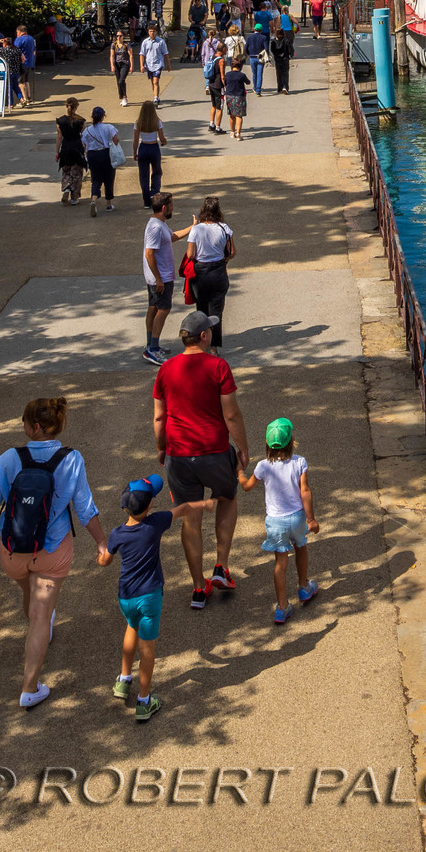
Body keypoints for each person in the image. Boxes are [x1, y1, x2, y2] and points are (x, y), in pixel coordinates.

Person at [0, 394, 107, 708]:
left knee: (29, 592)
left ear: (36, 426)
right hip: (53, 550)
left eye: (25, 421)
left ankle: (40, 619)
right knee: (41, 615)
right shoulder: (72, 459)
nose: (22, 425)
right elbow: (85, 508)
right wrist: (101, 542)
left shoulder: (8, 459)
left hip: (12, 551)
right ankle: (30, 688)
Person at [153, 318, 252, 607]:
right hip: (214, 451)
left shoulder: (166, 369)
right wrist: (243, 449)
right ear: (205, 335)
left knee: (191, 517)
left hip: (179, 455)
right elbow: (231, 414)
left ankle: (198, 588)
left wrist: (161, 447)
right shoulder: (218, 366)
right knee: (227, 498)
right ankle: (221, 567)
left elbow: (159, 416)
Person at [98, 472, 209, 724]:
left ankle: (124, 680)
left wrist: (101, 555)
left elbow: (105, 560)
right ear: (149, 506)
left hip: (126, 596)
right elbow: (183, 509)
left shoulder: (117, 534)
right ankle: (144, 701)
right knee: (147, 648)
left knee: (131, 627)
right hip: (149, 597)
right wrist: (205, 503)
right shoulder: (155, 524)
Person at [246, 415, 319, 625]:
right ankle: (304, 587)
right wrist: (311, 519)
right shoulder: (300, 462)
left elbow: (247, 486)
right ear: (291, 441)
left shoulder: (262, 466)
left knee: (280, 562)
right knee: (301, 547)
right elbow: (305, 491)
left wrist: (240, 474)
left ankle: (282, 607)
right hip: (297, 517)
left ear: (267, 444)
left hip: (276, 521)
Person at [186, 196, 235, 347]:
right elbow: (232, 252)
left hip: (201, 273)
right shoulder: (224, 228)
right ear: (218, 211)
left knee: (201, 309)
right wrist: (223, 260)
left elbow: (190, 254)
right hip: (218, 271)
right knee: (216, 311)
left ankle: (201, 342)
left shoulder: (196, 229)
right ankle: (214, 347)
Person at [143, 192, 178, 365]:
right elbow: (149, 254)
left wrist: (193, 227)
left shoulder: (160, 224)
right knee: (163, 310)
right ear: (164, 207)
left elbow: (172, 237)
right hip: (161, 277)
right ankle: (153, 349)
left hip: (159, 276)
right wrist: (158, 279)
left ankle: (150, 344)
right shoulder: (156, 227)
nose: (173, 207)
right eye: (171, 205)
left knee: (154, 308)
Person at [83, 104, 120, 214]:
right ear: (103, 116)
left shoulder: (87, 130)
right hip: (105, 153)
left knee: (95, 178)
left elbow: (84, 144)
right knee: (109, 178)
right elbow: (116, 140)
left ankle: (94, 198)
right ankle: (108, 204)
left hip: (92, 155)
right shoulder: (109, 127)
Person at [133, 97, 168, 203]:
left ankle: (146, 200)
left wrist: (135, 152)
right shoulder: (157, 122)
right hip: (154, 147)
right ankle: (154, 193)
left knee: (144, 175)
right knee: (157, 172)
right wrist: (164, 142)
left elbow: (135, 140)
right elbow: (162, 138)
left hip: (143, 147)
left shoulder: (138, 123)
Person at [54, 97, 86, 204]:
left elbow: (59, 137)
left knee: (66, 170)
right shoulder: (80, 121)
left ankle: (66, 188)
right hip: (77, 148)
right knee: (77, 173)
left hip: (65, 148)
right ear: (76, 107)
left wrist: (57, 152)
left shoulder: (60, 121)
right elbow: (84, 137)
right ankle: (74, 197)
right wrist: (85, 149)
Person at [220, 41, 249, 141]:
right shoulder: (241, 75)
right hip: (240, 96)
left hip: (229, 96)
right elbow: (248, 82)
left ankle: (232, 132)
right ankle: (238, 134)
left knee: (232, 115)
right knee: (239, 116)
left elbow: (225, 83)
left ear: (231, 66)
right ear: (239, 66)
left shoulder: (228, 75)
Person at [202, 29, 225, 132]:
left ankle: (211, 124)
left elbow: (203, 54)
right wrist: (225, 86)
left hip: (211, 83)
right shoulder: (221, 60)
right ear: (222, 49)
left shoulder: (212, 58)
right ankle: (218, 127)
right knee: (220, 107)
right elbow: (222, 75)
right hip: (218, 84)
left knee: (213, 105)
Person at [13, 19, 39, 104]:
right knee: (26, 80)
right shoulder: (31, 39)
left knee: (20, 81)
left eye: (17, 32)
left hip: (21, 63)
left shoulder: (19, 39)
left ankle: (24, 99)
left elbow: (15, 50)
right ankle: (29, 97)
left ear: (21, 32)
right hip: (30, 62)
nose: (17, 34)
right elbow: (34, 51)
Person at [272, 6, 294, 94]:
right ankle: (285, 87)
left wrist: (275, 55)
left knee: (278, 73)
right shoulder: (286, 41)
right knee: (285, 73)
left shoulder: (274, 41)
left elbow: (272, 50)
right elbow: (289, 48)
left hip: (277, 59)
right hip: (285, 58)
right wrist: (290, 54)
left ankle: (279, 87)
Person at [111, 26, 134, 105]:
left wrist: (131, 66)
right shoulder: (114, 45)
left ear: (123, 36)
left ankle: (124, 97)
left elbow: (131, 55)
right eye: (117, 36)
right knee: (118, 81)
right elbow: (112, 55)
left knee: (121, 80)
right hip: (117, 64)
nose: (118, 37)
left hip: (125, 64)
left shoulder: (126, 45)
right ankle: (122, 96)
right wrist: (112, 65)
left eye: (120, 36)